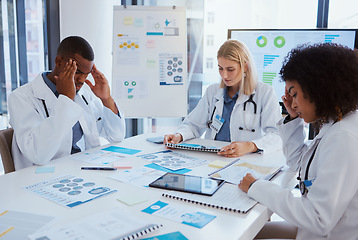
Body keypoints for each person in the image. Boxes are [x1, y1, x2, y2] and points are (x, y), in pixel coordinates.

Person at [239, 43, 358, 239]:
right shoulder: (336, 123)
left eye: (294, 94)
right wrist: (293, 118)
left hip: (325, 232)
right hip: (320, 230)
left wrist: (257, 187)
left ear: (318, 89)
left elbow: (318, 218)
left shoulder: (343, 137)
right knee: (248, 232)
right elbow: (302, 164)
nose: (292, 103)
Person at [8, 36, 126, 170]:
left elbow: (116, 136)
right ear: (58, 62)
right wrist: (66, 99)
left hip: (80, 168)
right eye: (77, 71)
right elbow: (38, 154)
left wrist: (106, 99)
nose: (82, 80)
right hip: (42, 176)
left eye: (86, 74)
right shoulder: (22, 98)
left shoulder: (83, 95)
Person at [164, 39, 282, 157]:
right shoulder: (213, 92)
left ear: (245, 66)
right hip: (214, 157)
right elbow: (193, 124)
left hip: (246, 160)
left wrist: (250, 146)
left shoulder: (265, 93)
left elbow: (277, 135)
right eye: (220, 68)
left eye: (230, 69)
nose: (224, 75)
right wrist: (179, 135)